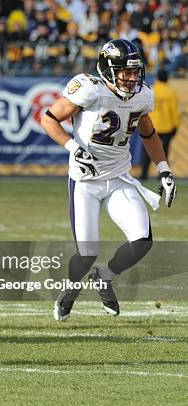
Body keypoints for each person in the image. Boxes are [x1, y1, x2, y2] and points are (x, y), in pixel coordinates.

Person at [41, 39, 177, 321]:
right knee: (86, 254)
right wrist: (72, 148)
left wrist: (164, 168)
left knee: (142, 241)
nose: (132, 78)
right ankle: (71, 288)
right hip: (86, 181)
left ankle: (104, 277)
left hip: (118, 177)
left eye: (135, 72)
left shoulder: (142, 96)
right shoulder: (90, 89)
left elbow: (149, 134)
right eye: (125, 72)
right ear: (107, 69)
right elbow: (49, 119)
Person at [139, 70, 180, 180]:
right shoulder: (170, 91)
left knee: (147, 151)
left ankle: (144, 173)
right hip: (167, 127)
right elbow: (175, 111)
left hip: (152, 126)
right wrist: (175, 125)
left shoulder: (152, 89)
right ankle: (163, 174)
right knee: (164, 152)